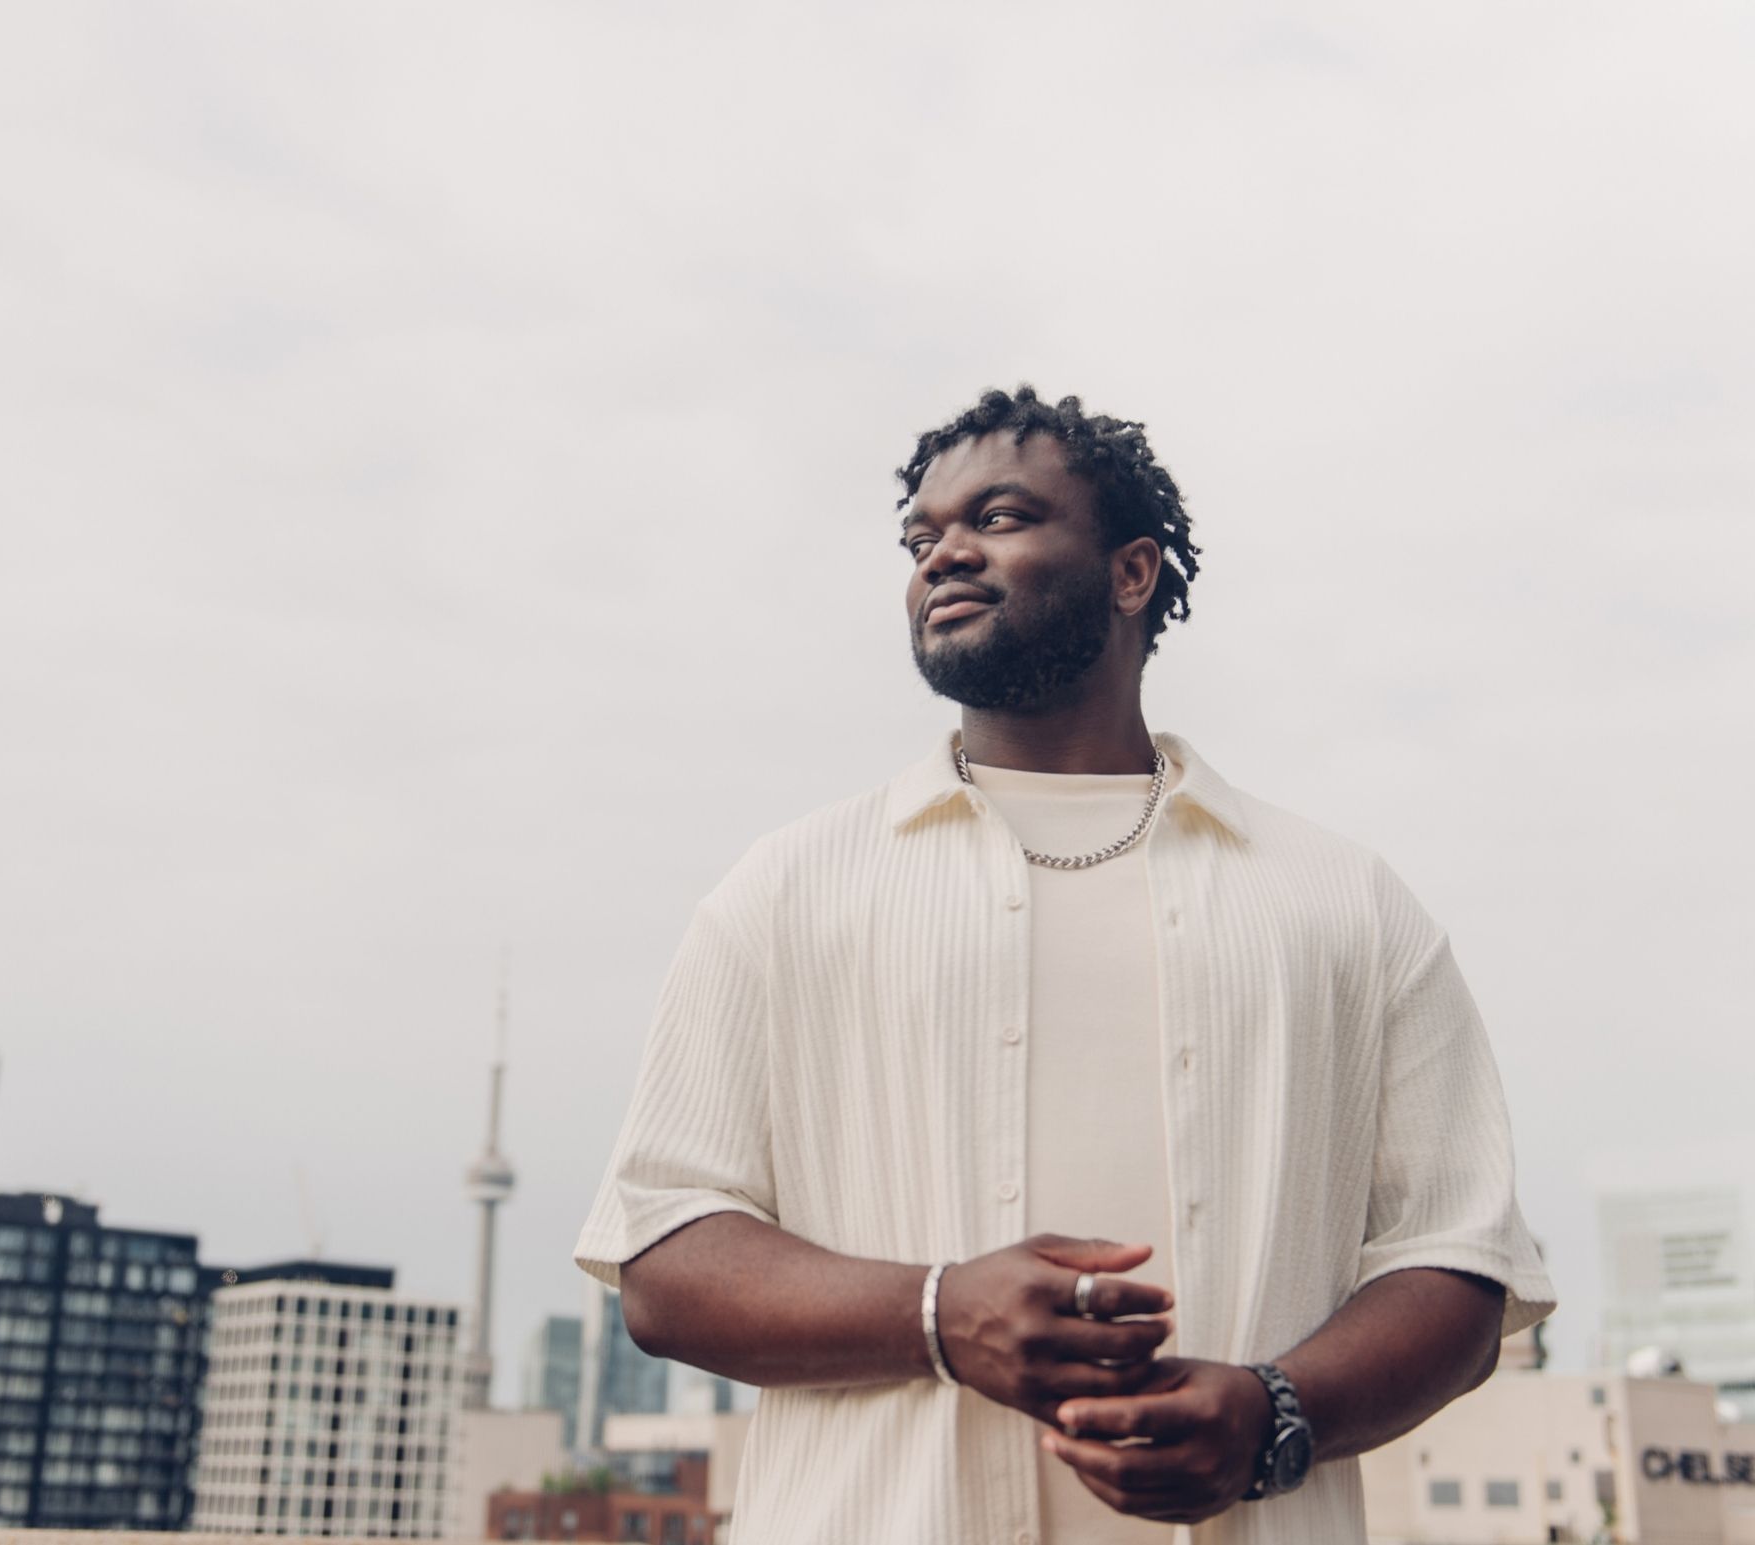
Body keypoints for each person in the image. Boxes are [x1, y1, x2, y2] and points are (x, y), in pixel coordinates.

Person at [574, 385, 1555, 1544]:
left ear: (1130, 573)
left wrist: (1271, 1414)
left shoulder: (1344, 901)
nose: (942, 553)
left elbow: (1457, 1265)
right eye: (920, 536)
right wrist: (937, 1314)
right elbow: (664, 1260)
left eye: (995, 518)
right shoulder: (783, 890)